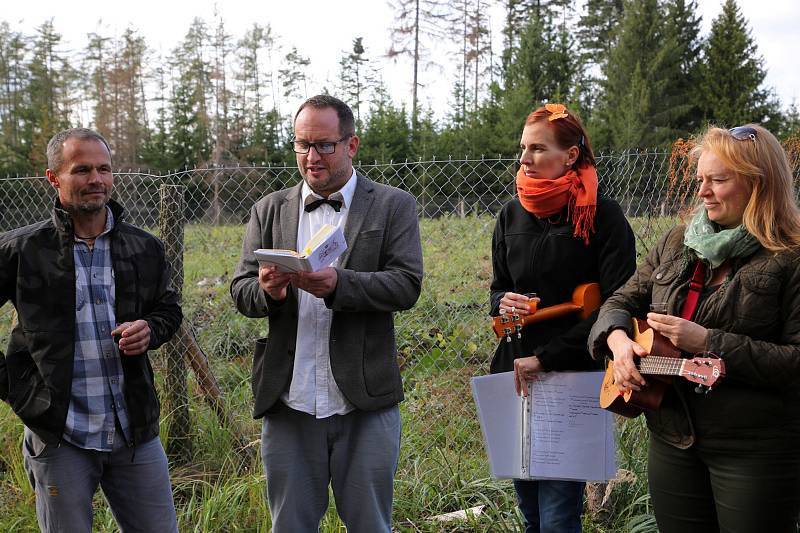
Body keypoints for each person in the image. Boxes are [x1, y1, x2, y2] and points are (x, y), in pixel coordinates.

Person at [588, 124, 800, 532]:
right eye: (701, 178)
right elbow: (618, 302)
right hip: (672, 438)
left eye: (718, 180)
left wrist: (707, 341)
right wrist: (617, 342)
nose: (702, 191)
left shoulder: (789, 258)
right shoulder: (677, 242)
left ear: (760, 184)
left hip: (755, 448)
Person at [230, 94, 423, 533]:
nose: (311, 157)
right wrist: (269, 292)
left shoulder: (393, 205)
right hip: (289, 401)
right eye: (301, 145)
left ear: (352, 145)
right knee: (290, 525)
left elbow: (407, 284)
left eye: (324, 145)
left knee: (370, 524)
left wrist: (342, 284)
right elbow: (241, 292)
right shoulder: (269, 209)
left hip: (364, 400)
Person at [0, 128, 182, 532]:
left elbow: (169, 309)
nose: (96, 179)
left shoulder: (143, 247)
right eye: (81, 170)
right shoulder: (22, 249)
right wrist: (15, 386)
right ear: (53, 178)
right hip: (59, 434)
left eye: (104, 169)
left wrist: (150, 330)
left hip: (133, 432)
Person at [490, 103, 636, 533]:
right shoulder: (510, 214)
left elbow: (618, 304)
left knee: (557, 513)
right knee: (529, 507)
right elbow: (497, 289)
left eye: (537, 148)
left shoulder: (603, 217)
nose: (524, 159)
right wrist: (503, 304)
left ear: (570, 155)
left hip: (572, 375)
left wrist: (548, 358)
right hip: (513, 374)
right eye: (523, 148)